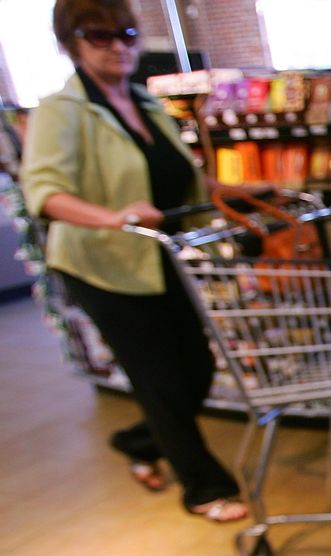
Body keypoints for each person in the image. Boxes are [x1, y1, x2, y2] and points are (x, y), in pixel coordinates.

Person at [21, 0, 248, 522]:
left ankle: (138, 441)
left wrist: (241, 191)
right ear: (71, 42)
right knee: (161, 378)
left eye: (125, 33)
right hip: (102, 265)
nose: (118, 46)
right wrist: (113, 217)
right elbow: (46, 193)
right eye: (98, 35)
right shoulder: (63, 109)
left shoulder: (146, 103)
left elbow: (181, 179)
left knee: (197, 368)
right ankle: (204, 488)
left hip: (159, 256)